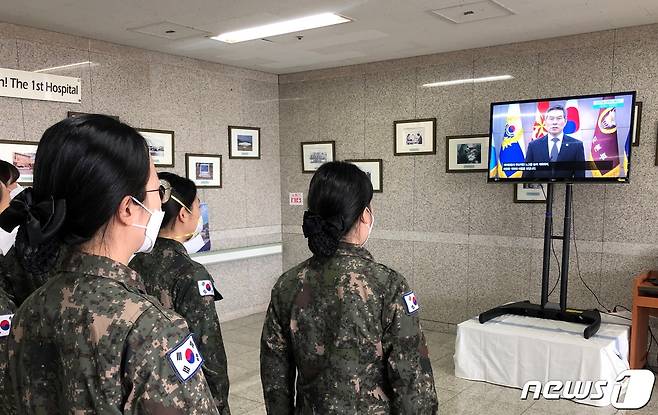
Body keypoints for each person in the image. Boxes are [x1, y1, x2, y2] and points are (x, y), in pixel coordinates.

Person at [0, 115, 219, 414]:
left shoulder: (30, 309)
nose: (158, 205)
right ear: (128, 208)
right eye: (158, 192)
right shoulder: (152, 330)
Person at [260, 161, 438, 414]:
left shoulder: (287, 284)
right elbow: (412, 381)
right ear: (365, 214)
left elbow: (275, 378)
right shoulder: (388, 285)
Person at [130, 172, 230, 414]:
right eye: (197, 206)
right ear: (184, 214)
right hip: (185, 391)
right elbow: (207, 346)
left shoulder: (133, 264)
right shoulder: (191, 274)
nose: (199, 214)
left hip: (144, 387)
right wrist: (219, 402)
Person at [523, 105, 585, 179]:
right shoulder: (533, 145)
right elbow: (526, 175)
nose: (554, 122)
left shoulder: (577, 145)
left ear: (565, 122)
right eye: (551, 119)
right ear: (545, 122)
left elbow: (580, 176)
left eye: (559, 118)